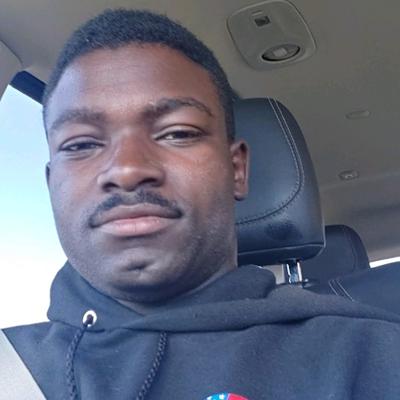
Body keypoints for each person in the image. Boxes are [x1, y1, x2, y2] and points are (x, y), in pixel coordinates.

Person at [3, 8, 400, 400]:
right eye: (80, 144)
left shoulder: (372, 359)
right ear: (52, 185)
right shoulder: (12, 368)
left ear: (237, 170)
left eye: (177, 133)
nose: (126, 169)